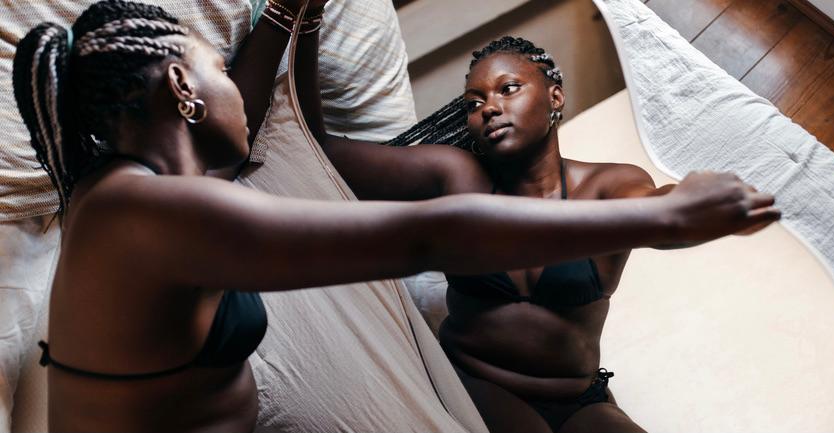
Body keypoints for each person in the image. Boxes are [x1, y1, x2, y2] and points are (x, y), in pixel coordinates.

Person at [14, 1, 777, 431]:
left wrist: (286, 13)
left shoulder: (130, 191)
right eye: (216, 66)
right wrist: (661, 220)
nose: (233, 83)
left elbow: (257, 117)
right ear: (182, 89)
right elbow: (420, 235)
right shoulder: (148, 215)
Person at [297, 33, 778, 432]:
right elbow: (317, 149)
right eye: (475, 101)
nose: (489, 107)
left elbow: (661, 218)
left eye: (508, 89)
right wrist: (306, 21)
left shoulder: (609, 184)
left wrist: (694, 208)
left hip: (580, 396)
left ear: (554, 97)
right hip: (478, 379)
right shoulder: (456, 176)